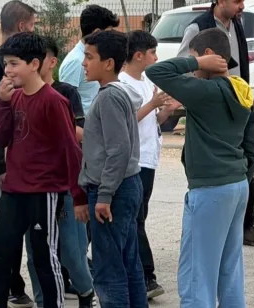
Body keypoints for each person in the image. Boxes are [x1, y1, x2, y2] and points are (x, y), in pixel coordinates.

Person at [146, 28, 254, 308]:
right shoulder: (242, 90)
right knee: (230, 270)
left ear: (208, 56)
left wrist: (196, 63)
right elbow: (252, 150)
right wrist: (239, 176)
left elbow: (156, 72)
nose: (194, 69)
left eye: (195, 57)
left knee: (198, 274)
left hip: (210, 189)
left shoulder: (204, 90)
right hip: (237, 185)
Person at [0, 32, 84, 308]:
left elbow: (70, 149)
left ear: (34, 64)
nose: (8, 70)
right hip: (13, 191)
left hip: (43, 192)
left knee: (44, 258)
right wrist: (2, 103)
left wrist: (78, 196)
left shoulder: (53, 100)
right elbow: (0, 137)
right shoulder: (13, 98)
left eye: (14, 63)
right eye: (6, 64)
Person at [176, 0, 254, 248]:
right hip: (211, 105)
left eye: (243, 0)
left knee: (246, 157)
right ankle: (209, 216)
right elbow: (184, 64)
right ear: (221, 1)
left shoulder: (237, 24)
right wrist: (198, 94)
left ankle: (246, 223)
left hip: (238, 100)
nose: (242, 6)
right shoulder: (199, 27)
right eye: (237, 1)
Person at [78, 30, 148, 308]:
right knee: (128, 264)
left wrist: (104, 195)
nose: (84, 63)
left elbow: (118, 149)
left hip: (113, 191)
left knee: (109, 271)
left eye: (89, 57)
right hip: (125, 186)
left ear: (108, 63)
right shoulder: (116, 93)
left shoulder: (109, 97)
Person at [25, 38, 94, 308]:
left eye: (38, 59)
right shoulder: (20, 95)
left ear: (52, 62)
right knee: (35, 252)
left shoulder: (65, 93)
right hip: (32, 188)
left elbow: (79, 135)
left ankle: (86, 291)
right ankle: (44, 301)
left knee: (71, 251)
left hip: (64, 185)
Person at [0, 0, 37, 308]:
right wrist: (0, 165)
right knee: (7, 229)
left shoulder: (29, 64)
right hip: (6, 160)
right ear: (22, 25)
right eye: (33, 25)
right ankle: (13, 283)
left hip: (28, 160)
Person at [119, 30, 181, 298]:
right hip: (134, 159)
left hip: (149, 158)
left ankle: (137, 274)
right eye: (152, 52)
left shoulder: (146, 81)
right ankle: (146, 276)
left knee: (139, 216)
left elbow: (152, 121)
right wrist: (153, 103)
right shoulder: (123, 84)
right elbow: (126, 120)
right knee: (136, 219)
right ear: (138, 55)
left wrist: (166, 109)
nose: (156, 57)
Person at [59, 4, 120, 114]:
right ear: (96, 32)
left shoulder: (97, 56)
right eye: (109, 32)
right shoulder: (76, 62)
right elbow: (64, 104)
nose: (112, 37)